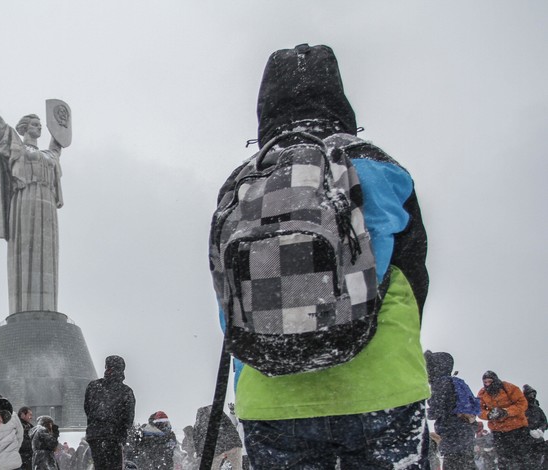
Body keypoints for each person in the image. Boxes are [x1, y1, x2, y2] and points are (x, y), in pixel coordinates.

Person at [227, 44, 431, 468]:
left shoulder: (243, 184)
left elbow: (228, 297)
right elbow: (413, 278)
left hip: (272, 392)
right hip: (380, 384)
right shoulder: (376, 166)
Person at [0, 62, 65, 314]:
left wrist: (60, 121)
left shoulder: (49, 155)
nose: (39, 127)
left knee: (48, 258)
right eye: (35, 124)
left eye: (40, 125)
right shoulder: (16, 146)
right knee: (26, 254)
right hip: (24, 202)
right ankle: (24, 311)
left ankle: (47, 311)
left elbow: (61, 138)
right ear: (24, 128)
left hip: (47, 208)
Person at [424, 351, 476, 469]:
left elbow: (433, 412)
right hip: (466, 430)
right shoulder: (457, 382)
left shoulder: (440, 384)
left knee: (453, 465)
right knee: (467, 464)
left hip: (451, 432)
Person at [84, 355, 136, 470]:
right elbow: (128, 419)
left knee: (99, 465)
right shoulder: (126, 391)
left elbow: (87, 408)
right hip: (114, 436)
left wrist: (96, 424)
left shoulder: (93, 386)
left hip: (95, 435)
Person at [477, 370, 528, 469]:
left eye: (490, 381)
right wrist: (489, 415)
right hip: (498, 431)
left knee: (521, 457)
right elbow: (479, 410)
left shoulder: (509, 388)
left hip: (517, 428)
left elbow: (522, 403)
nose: (487, 384)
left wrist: (506, 411)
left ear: (495, 380)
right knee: (503, 459)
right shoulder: (482, 393)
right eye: (485, 382)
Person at [193, 405, 242, 470]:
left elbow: (197, 438)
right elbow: (231, 427)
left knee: (213, 467)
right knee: (237, 468)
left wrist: (199, 454)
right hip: (233, 443)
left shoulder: (200, 421)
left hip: (217, 448)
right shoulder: (220, 413)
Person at [523, 384, 548, 469]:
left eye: (533, 394)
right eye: (530, 394)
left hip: (538, 441)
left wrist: (540, 430)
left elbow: (544, 422)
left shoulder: (538, 409)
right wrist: (528, 431)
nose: (532, 396)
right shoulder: (521, 408)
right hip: (524, 442)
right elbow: (517, 423)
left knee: (539, 462)